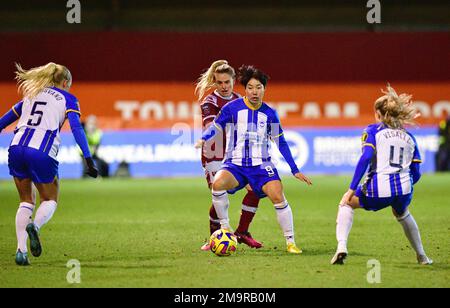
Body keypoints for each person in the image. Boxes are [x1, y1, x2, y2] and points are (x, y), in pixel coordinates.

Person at [195, 65, 312, 254]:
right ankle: (226, 229)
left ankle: (291, 242)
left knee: (277, 195)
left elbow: (281, 142)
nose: (254, 92)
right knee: (217, 184)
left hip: (261, 164)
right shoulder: (232, 108)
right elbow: (215, 126)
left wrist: (294, 169)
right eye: (250, 87)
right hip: (235, 164)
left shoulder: (270, 114)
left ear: (264, 89)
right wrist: (204, 138)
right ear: (245, 89)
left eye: (258, 87)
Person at [0, 62, 98, 266]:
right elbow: (77, 129)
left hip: (16, 147)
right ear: (65, 82)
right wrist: (88, 159)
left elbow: (3, 122)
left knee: (26, 201)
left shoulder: (31, 95)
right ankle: (34, 226)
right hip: (42, 150)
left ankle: (21, 251)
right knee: (50, 199)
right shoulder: (68, 98)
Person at [331, 84, 433, 265]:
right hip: (404, 189)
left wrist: (351, 189)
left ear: (378, 114)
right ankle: (422, 256)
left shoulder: (373, 131)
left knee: (346, 204)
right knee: (402, 213)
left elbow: (365, 158)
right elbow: (416, 173)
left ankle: (341, 247)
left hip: (378, 189)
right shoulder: (409, 137)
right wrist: (404, 186)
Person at [195, 60, 263, 250]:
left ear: (234, 81)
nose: (224, 86)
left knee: (256, 188)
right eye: (219, 83)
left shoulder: (241, 100)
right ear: (215, 83)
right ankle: (215, 237)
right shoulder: (209, 102)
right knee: (220, 194)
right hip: (214, 156)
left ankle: (242, 232)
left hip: (236, 155)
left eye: (227, 82)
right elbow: (211, 127)